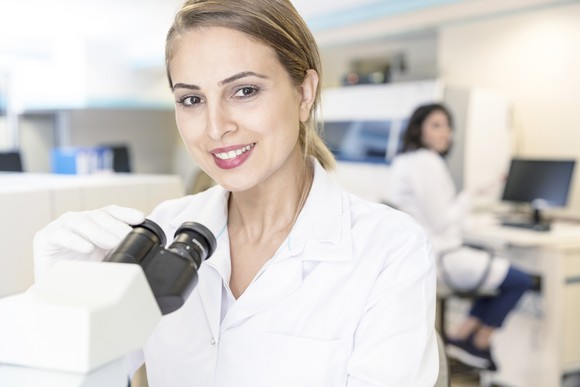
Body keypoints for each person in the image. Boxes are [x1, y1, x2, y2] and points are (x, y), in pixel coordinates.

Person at [32, 1, 439, 386]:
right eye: (191, 99)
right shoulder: (167, 229)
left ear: (304, 92)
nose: (215, 126)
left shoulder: (389, 250)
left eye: (244, 91)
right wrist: (59, 305)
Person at [388, 103, 531, 371]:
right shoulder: (426, 162)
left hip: (428, 255)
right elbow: (443, 221)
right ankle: (476, 342)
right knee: (518, 280)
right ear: (419, 129)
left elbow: (437, 215)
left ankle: (462, 335)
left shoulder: (405, 160)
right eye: (436, 125)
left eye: (448, 126)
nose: (446, 133)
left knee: (495, 278)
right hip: (444, 258)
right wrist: (471, 194)